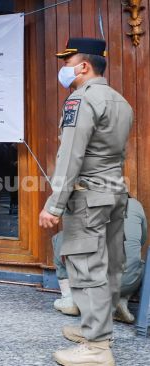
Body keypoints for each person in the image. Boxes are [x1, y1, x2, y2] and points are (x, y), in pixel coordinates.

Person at [38, 38, 133, 365]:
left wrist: (54, 204)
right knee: (109, 264)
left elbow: (71, 155)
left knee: (87, 266)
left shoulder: (81, 99)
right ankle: (98, 328)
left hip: (88, 195)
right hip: (115, 192)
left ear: (83, 66)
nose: (63, 68)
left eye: (67, 62)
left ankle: (96, 347)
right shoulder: (120, 100)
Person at [52, 197, 147, 324]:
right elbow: (141, 240)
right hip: (129, 281)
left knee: (60, 239)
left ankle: (70, 299)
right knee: (134, 261)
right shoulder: (135, 204)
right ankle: (120, 300)